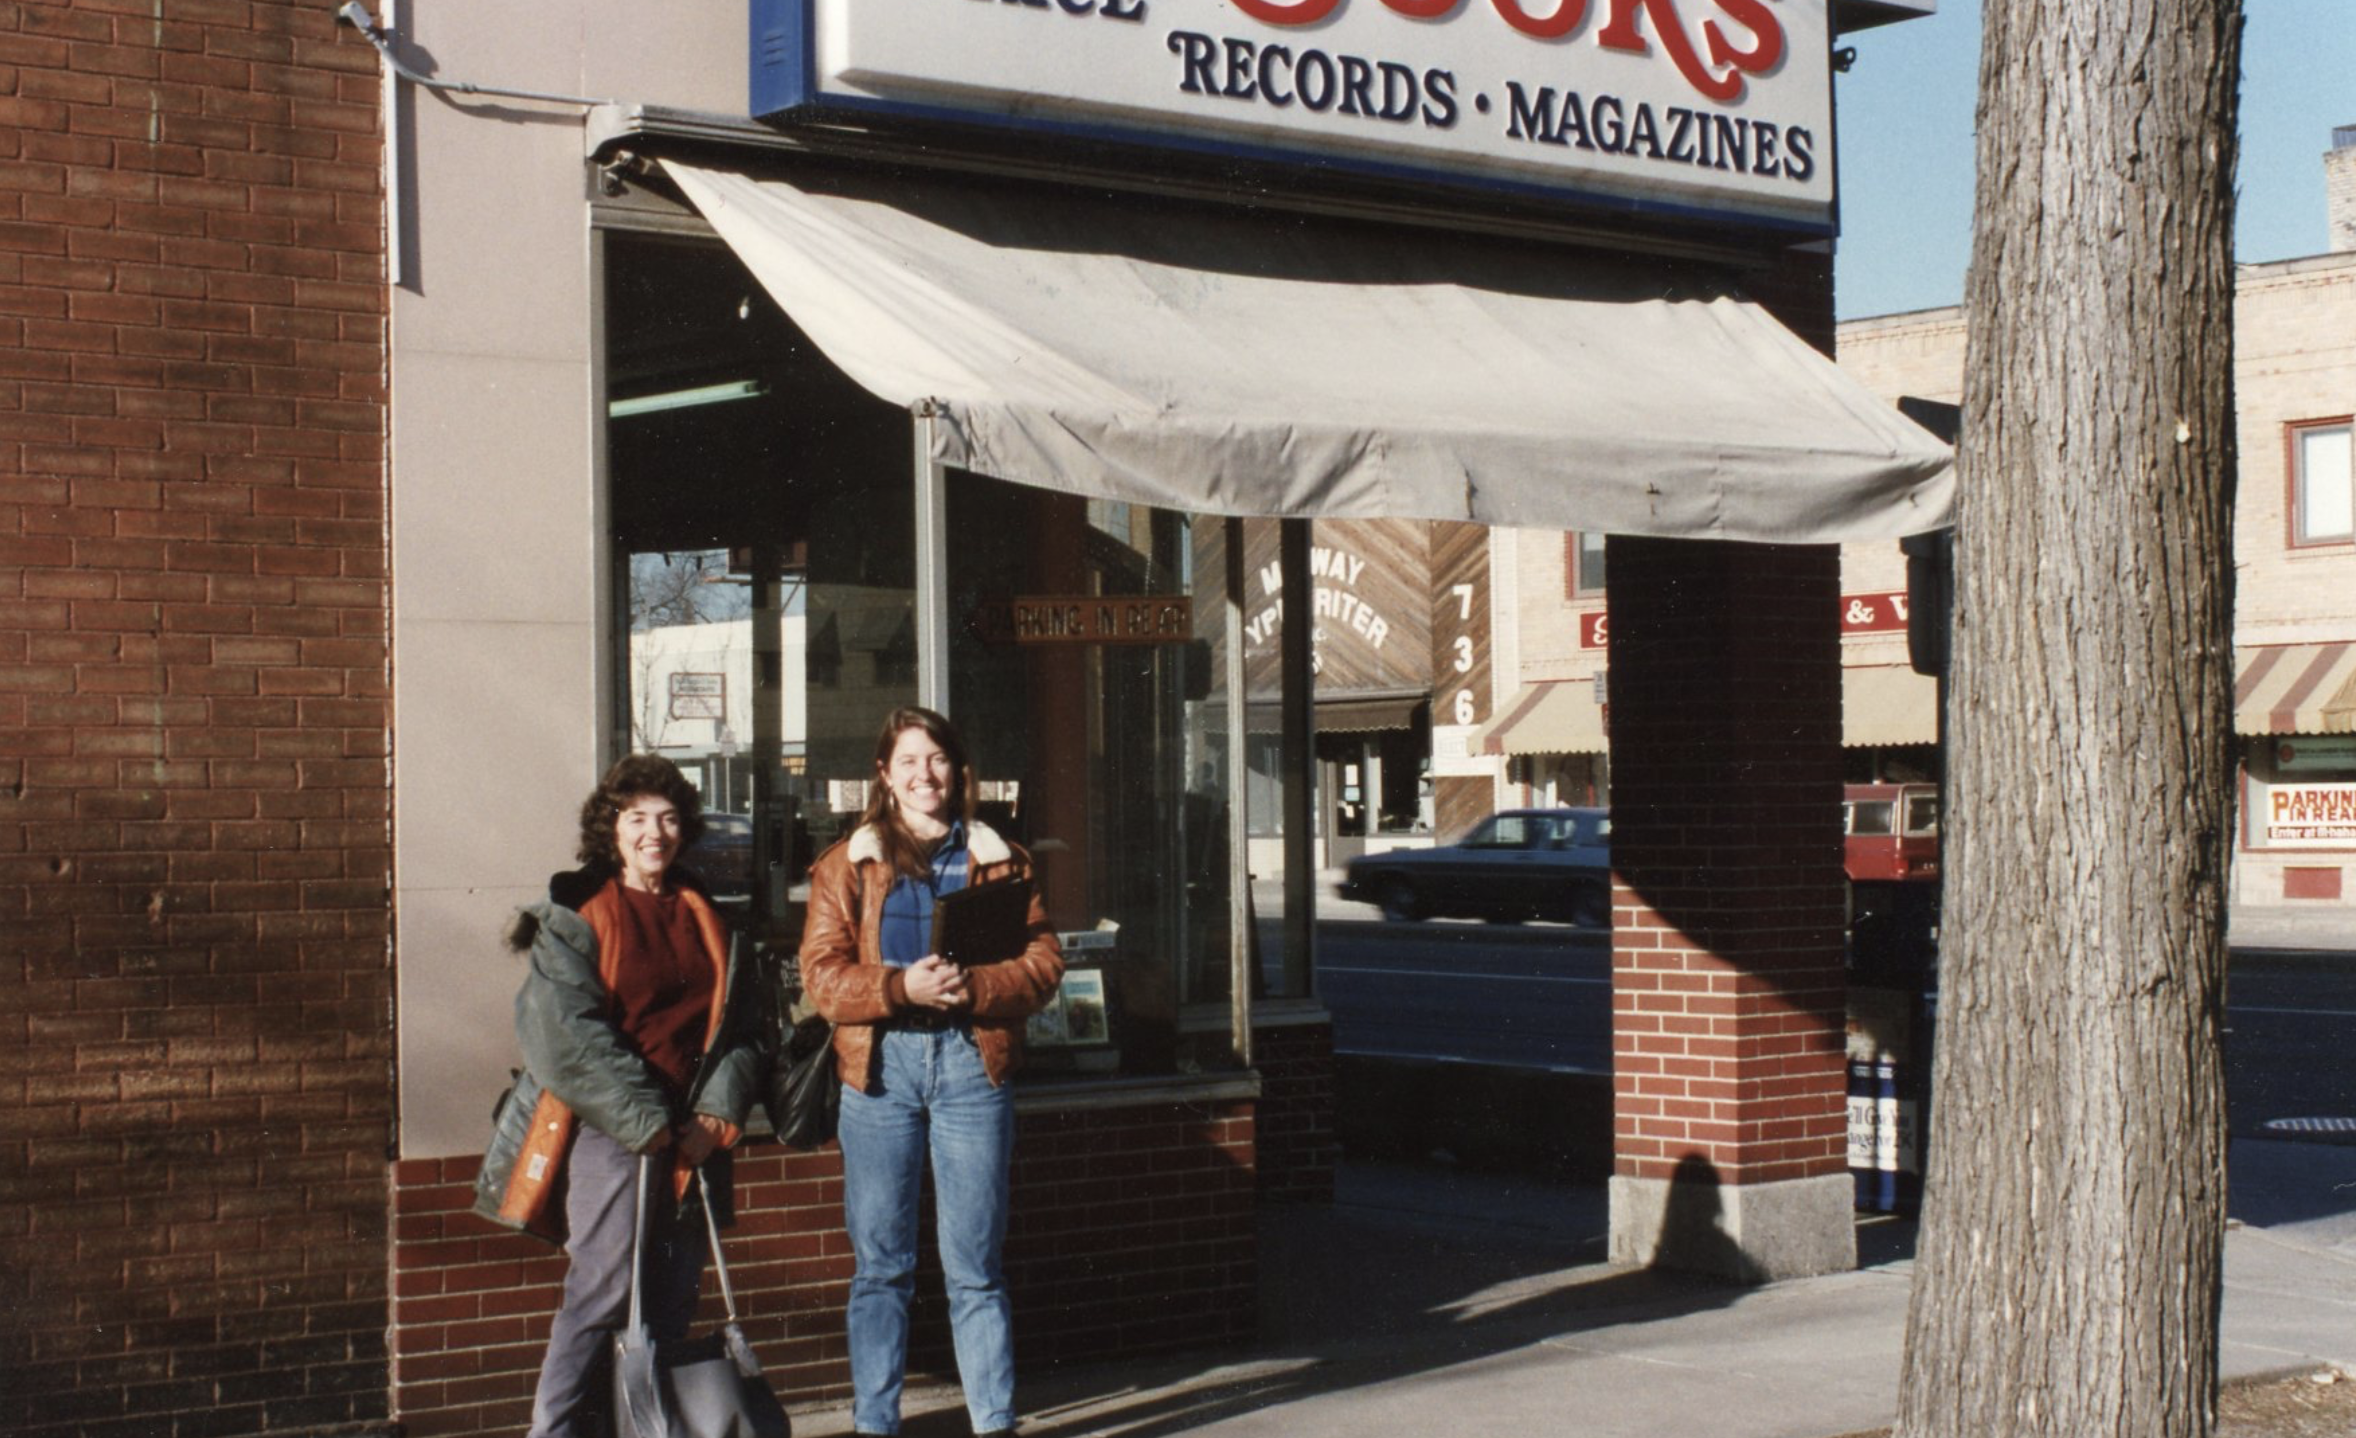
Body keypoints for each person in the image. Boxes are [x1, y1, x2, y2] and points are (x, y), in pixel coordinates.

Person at [474, 754, 762, 1438]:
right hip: (613, 1133)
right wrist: (651, 1123)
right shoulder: (579, 913)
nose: (653, 832)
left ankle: (646, 1427)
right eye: (636, 819)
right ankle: (558, 1430)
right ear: (612, 829)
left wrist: (715, 1118)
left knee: (670, 1299)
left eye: (666, 818)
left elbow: (743, 1032)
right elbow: (563, 1037)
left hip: (691, 1138)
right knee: (601, 1293)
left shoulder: (708, 916)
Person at [801, 706, 1064, 1438]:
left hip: (969, 1068)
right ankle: (875, 1424)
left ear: (959, 771)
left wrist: (976, 988)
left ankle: (994, 1422)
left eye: (938, 760)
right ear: (884, 775)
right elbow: (821, 978)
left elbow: (1044, 965)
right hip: (881, 1072)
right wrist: (897, 988)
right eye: (909, 761)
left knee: (974, 1266)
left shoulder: (1001, 859)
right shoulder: (844, 864)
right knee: (881, 1266)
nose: (925, 775)